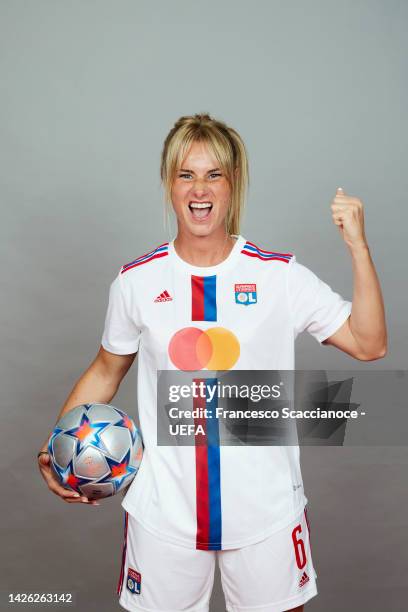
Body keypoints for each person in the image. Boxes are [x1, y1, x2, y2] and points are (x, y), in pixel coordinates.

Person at [38, 113, 387, 612]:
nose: (199, 189)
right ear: (169, 184)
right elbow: (106, 369)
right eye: (186, 174)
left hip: (267, 512)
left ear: (233, 183)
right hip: (164, 513)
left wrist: (358, 246)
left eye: (214, 174)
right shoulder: (136, 281)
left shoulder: (279, 276)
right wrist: (58, 447)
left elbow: (369, 343)